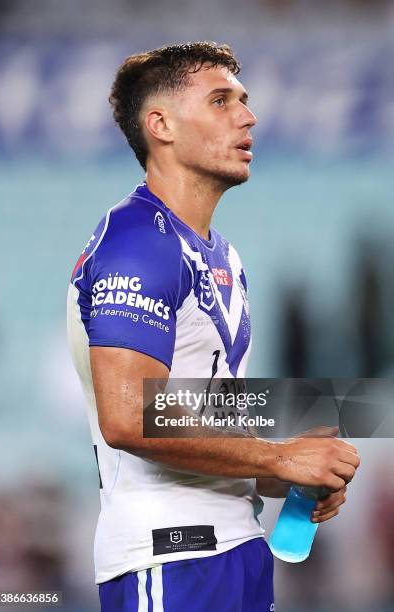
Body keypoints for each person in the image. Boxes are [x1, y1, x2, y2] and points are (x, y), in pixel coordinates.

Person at [67, 42, 360, 612]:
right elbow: (128, 417)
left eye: (245, 102)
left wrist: (286, 464)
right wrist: (276, 459)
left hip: (236, 550)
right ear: (161, 125)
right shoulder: (136, 243)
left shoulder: (222, 257)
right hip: (170, 559)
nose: (247, 117)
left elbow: (201, 411)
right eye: (221, 101)